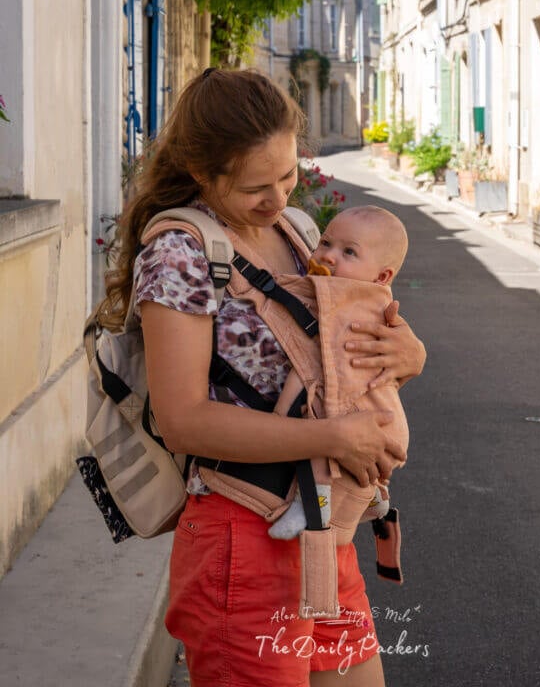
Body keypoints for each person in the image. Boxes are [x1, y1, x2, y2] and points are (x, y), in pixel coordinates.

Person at [98, 68, 426, 687]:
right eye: (256, 187)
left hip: (323, 528)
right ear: (203, 173)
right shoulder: (180, 253)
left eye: (287, 174)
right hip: (240, 539)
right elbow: (183, 418)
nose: (279, 199)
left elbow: (335, 355)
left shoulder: (298, 233)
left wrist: (407, 352)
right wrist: (332, 440)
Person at [268, 205, 410, 541]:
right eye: (326, 243)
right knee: (350, 464)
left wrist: (280, 415)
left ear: (382, 277)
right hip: (384, 417)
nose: (328, 257)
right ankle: (376, 499)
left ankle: (311, 506)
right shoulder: (364, 300)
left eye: (348, 252)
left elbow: (310, 368)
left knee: (318, 445)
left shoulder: (349, 310)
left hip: (370, 416)